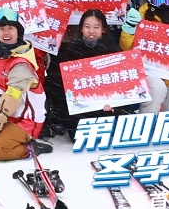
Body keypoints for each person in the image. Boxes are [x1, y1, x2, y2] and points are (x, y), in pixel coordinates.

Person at [0, 9, 50, 160]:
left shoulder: (20, 63)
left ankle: (31, 147)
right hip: (8, 116)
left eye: (11, 28)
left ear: (18, 32)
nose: (6, 33)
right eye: (2, 29)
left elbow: (12, 98)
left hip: (24, 120)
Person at [43, 9, 124, 137]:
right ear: (81, 29)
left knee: (115, 130)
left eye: (96, 27)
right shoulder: (71, 49)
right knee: (77, 134)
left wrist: (114, 102)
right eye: (87, 27)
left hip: (106, 104)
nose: (91, 31)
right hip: (81, 104)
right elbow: (59, 81)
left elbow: (123, 82)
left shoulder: (113, 50)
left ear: (103, 29)